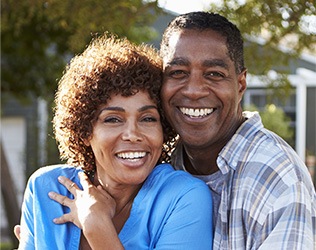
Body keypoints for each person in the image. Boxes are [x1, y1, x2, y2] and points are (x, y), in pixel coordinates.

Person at [16, 34, 213, 249]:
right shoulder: (47, 188)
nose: (132, 134)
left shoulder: (183, 198)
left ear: (164, 128)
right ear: (84, 131)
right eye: (113, 119)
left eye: (148, 118)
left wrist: (96, 224)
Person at [159, 11, 316, 249]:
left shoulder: (277, 177)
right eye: (178, 73)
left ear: (240, 84)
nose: (193, 91)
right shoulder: (155, 164)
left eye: (214, 74)